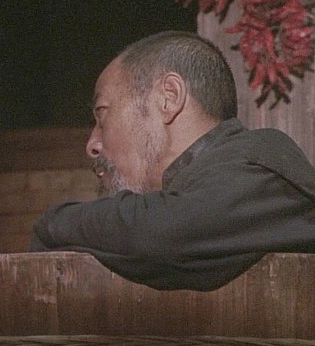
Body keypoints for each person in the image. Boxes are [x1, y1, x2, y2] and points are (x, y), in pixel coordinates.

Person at [29, 30, 315, 291]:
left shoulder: (263, 164)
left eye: (102, 114)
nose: (93, 144)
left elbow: (163, 233)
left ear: (169, 97)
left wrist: (54, 224)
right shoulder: (211, 189)